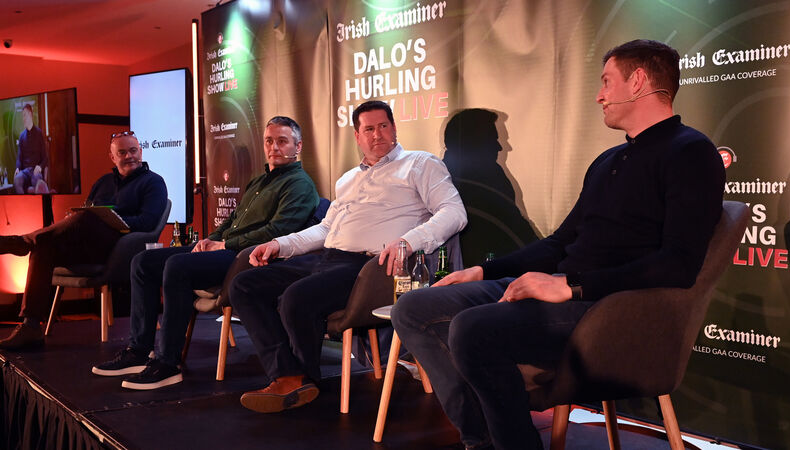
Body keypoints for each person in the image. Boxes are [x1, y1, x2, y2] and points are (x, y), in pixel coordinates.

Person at [392, 39, 726, 450]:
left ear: (638, 81)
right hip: (566, 291)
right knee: (412, 309)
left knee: (472, 329)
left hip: (609, 308)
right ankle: (483, 438)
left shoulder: (691, 152)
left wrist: (572, 286)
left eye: (607, 81)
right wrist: (483, 271)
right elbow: (559, 243)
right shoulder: (608, 161)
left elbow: (678, 264)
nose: (599, 95)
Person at [228, 100, 467, 413]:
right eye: (368, 129)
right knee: (244, 285)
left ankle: (301, 381)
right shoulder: (348, 179)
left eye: (383, 126)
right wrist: (279, 244)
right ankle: (288, 375)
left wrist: (408, 242)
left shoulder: (420, 164)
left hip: (371, 268)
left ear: (394, 128)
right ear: (357, 136)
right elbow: (325, 229)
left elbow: (454, 212)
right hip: (327, 258)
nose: (377, 134)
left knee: (297, 298)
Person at [91, 116, 319, 390]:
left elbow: (278, 232)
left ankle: (167, 363)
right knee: (143, 262)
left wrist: (225, 244)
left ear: (298, 146)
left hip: (247, 257)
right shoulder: (259, 181)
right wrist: (211, 238)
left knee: (178, 266)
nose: (274, 147)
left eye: (282, 141)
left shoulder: (299, 184)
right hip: (227, 247)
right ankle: (139, 351)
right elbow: (233, 219)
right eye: (269, 141)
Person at [0, 131, 167, 350]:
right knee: (44, 247)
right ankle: (30, 326)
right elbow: (85, 213)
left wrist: (112, 219)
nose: (129, 156)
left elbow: (148, 222)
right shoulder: (103, 182)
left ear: (141, 152)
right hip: (86, 243)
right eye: (122, 152)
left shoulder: (153, 182)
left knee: (88, 217)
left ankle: (21, 242)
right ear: (112, 157)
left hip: (117, 249)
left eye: (133, 151)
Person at [14, 104, 49, 194]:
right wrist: (17, 168)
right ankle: (23, 201)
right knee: (17, 180)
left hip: (35, 171)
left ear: (30, 114)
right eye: (23, 116)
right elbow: (19, 158)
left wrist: (40, 167)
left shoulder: (39, 133)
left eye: (24, 115)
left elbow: (45, 158)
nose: (23, 119)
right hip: (25, 172)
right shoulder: (22, 136)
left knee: (36, 180)